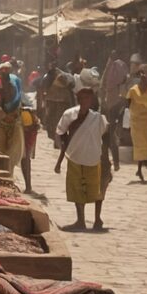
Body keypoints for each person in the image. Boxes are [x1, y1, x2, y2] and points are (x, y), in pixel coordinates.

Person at [54, 84, 110, 231]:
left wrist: (109, 160)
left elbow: (105, 137)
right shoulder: (69, 114)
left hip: (93, 158)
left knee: (96, 189)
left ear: (91, 100)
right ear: (77, 99)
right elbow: (61, 133)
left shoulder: (98, 118)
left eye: (87, 98)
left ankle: (97, 219)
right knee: (76, 190)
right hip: (75, 157)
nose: (84, 100)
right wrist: (60, 158)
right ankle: (80, 220)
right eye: (81, 97)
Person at [0, 61, 25, 177]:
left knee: (12, 153)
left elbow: (16, 102)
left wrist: (8, 115)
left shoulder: (14, 85)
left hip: (14, 123)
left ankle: (9, 176)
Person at [127, 68, 147, 182]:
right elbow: (128, 104)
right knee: (139, 145)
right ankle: (139, 168)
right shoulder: (133, 91)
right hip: (137, 121)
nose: (145, 84)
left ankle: (146, 163)